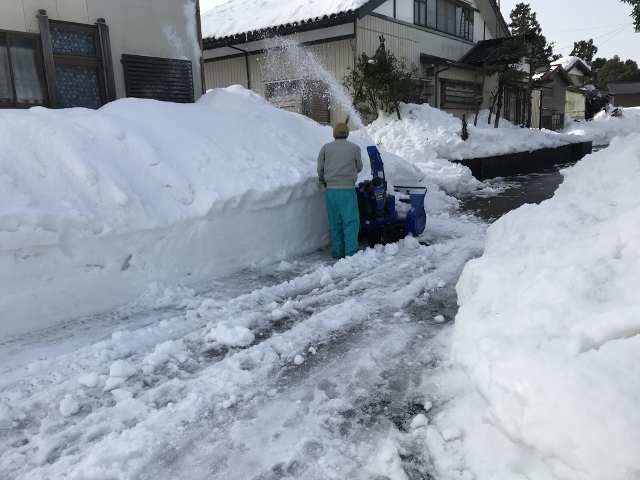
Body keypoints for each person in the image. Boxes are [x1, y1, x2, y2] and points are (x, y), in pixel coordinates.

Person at [317, 123, 363, 259]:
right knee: (350, 221)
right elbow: (359, 167)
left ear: (334, 134)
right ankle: (351, 253)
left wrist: (323, 181)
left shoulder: (326, 148)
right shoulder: (355, 148)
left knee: (335, 222)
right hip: (348, 190)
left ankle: (338, 252)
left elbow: (320, 168)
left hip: (331, 190)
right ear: (347, 134)